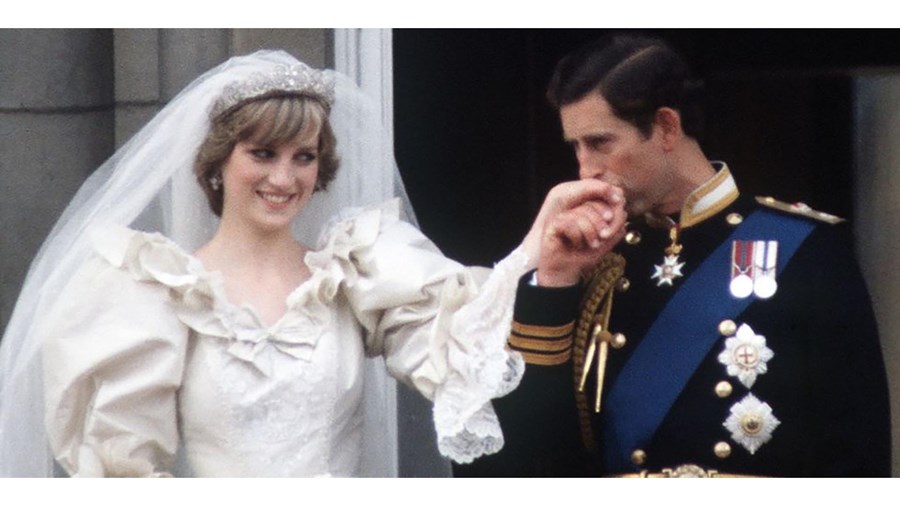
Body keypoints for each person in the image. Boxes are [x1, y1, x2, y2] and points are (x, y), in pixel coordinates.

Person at [0, 50, 620, 477]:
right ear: (218, 161)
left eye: (303, 156)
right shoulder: (154, 290)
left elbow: (465, 353)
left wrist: (536, 252)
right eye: (262, 153)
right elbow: (122, 470)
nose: (283, 177)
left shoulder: (355, 272)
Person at [458, 34, 891, 477]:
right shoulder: (595, 263)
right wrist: (552, 281)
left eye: (600, 143)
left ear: (666, 126)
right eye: (576, 147)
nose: (585, 168)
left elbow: (857, 455)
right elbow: (522, 461)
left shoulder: (805, 248)